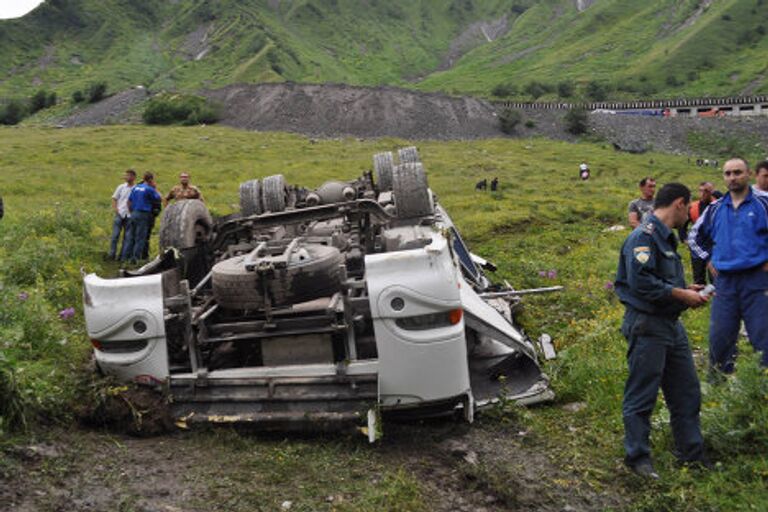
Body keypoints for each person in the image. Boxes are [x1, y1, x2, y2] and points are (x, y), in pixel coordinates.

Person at [615, 182, 710, 479]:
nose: (690, 213)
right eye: (689, 206)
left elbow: (661, 281)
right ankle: (637, 458)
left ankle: (691, 453)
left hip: (670, 325)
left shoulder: (666, 239)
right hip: (648, 326)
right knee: (642, 394)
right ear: (679, 203)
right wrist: (683, 296)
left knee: (686, 391)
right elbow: (641, 283)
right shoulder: (643, 238)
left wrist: (686, 289)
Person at [689, 158, 768, 373]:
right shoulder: (715, 209)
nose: (732, 177)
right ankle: (719, 388)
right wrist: (708, 258)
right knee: (720, 339)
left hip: (757, 281)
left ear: (748, 174)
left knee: (764, 338)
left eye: (737, 172)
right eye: (728, 173)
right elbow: (694, 236)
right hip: (724, 282)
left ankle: (762, 390)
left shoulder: (763, 203)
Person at [126, 172, 163, 264]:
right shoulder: (149, 189)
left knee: (131, 236)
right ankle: (136, 259)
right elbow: (160, 198)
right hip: (144, 214)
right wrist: (155, 188)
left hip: (134, 213)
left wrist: (131, 212)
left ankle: (127, 257)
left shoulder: (135, 188)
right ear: (151, 180)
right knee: (140, 238)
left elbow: (129, 202)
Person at [684, 182, 715, 285]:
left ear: (711, 192)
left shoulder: (717, 205)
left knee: (714, 275)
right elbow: (683, 224)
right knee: (698, 277)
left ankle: (717, 296)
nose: (702, 194)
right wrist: (684, 238)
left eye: (706, 191)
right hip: (698, 245)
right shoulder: (693, 207)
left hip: (713, 245)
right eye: (700, 191)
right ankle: (699, 298)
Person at [108, 169, 136, 261]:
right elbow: (114, 198)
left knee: (127, 238)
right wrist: (116, 210)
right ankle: (111, 255)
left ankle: (123, 257)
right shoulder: (121, 187)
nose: (125, 177)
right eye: (125, 175)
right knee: (115, 236)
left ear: (133, 177)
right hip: (120, 213)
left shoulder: (136, 188)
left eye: (127, 175)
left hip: (130, 215)